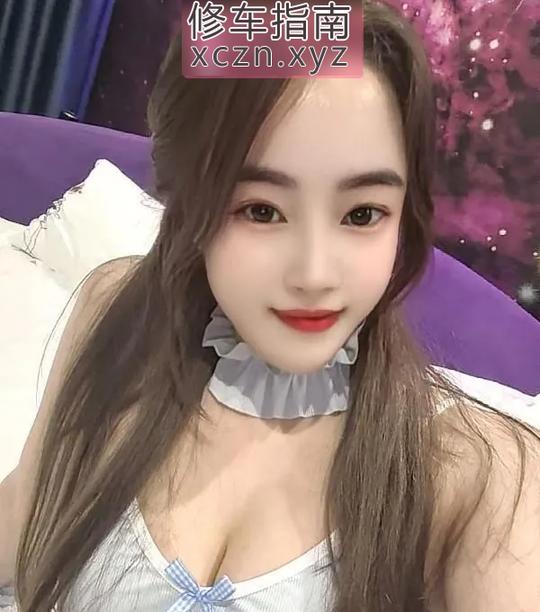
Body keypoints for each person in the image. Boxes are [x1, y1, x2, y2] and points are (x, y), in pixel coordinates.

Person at [1, 1, 539, 610]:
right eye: (261, 210)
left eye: (362, 214)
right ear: (190, 204)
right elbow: (22, 516)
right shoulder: (116, 316)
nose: (313, 274)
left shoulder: (479, 475)